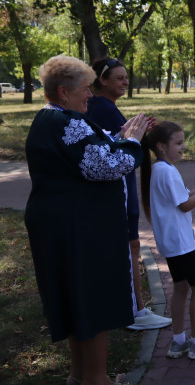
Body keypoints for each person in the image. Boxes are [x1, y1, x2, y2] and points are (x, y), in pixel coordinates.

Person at [24, 54, 149, 385]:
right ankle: (96, 379)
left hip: (60, 227)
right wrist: (132, 141)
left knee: (75, 300)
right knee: (93, 298)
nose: (91, 96)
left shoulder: (49, 118)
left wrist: (118, 139)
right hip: (79, 231)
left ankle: (79, 376)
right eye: (85, 89)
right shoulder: (67, 122)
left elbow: (86, 154)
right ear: (64, 92)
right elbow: (106, 165)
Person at [87, 57, 172, 331]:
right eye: (119, 78)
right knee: (129, 246)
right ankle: (134, 312)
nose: (125, 82)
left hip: (118, 190)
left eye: (126, 77)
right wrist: (138, 137)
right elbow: (121, 151)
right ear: (102, 80)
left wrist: (142, 133)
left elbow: (124, 142)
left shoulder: (105, 107)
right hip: (119, 192)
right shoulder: (102, 108)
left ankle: (133, 309)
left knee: (130, 246)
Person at [140, 121, 195, 360]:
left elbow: (182, 197)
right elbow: (185, 205)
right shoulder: (167, 172)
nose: (184, 147)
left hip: (171, 242)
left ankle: (179, 341)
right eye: (178, 143)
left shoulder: (159, 169)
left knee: (181, 287)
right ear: (161, 146)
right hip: (181, 243)